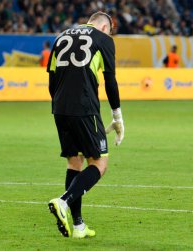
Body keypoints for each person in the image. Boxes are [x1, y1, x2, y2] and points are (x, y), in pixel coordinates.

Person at [46, 11, 124, 239]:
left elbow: (51, 79)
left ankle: (78, 225)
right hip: (85, 107)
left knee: (74, 162)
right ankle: (63, 202)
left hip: (59, 108)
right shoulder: (103, 40)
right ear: (104, 27)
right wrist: (117, 116)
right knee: (100, 163)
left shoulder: (61, 37)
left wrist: (60, 104)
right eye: (110, 31)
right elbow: (110, 80)